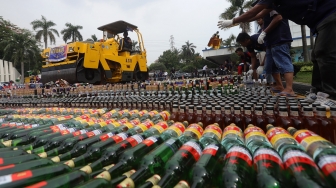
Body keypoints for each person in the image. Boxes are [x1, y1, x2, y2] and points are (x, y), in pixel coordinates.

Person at [217, 0, 336, 99]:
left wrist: (233, 21)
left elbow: (255, 12)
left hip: (329, 13)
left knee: (324, 53)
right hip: (320, 22)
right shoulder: (273, 4)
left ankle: (331, 96)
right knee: (316, 55)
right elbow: (256, 15)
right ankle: (318, 92)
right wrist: (235, 22)